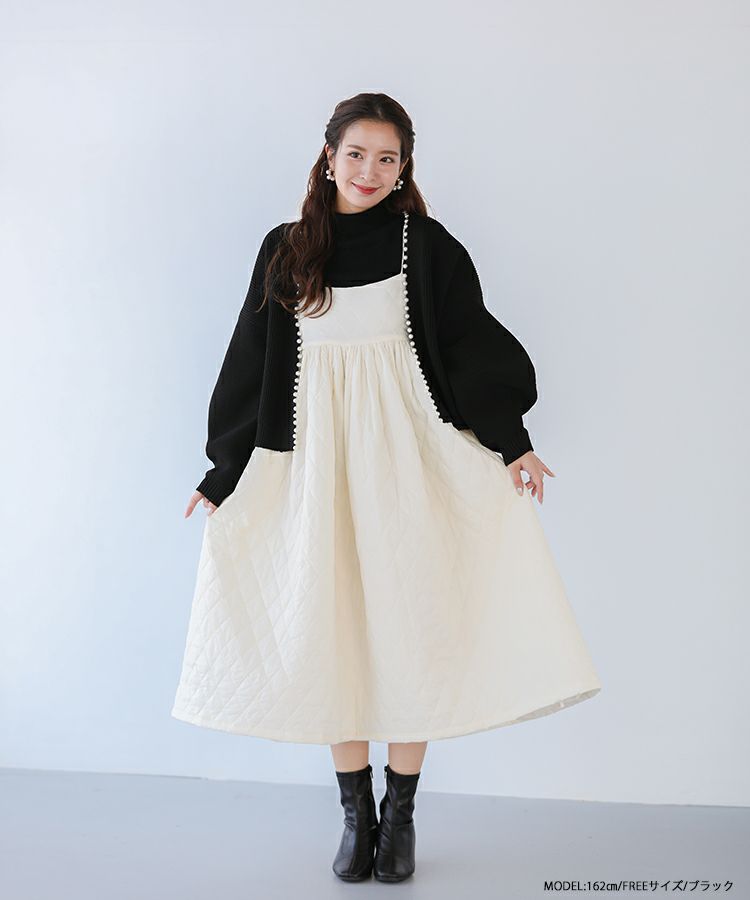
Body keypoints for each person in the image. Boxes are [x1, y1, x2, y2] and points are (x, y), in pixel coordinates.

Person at [171, 92, 602, 883]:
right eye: (357, 154)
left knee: (412, 629)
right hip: (314, 469)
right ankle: (355, 815)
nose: (370, 171)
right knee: (329, 628)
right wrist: (224, 470)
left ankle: (400, 815)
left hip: (410, 466)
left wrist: (512, 443)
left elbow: (470, 344)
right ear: (328, 156)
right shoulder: (286, 249)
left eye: (387, 158)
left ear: (405, 167)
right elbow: (249, 362)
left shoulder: (425, 246)